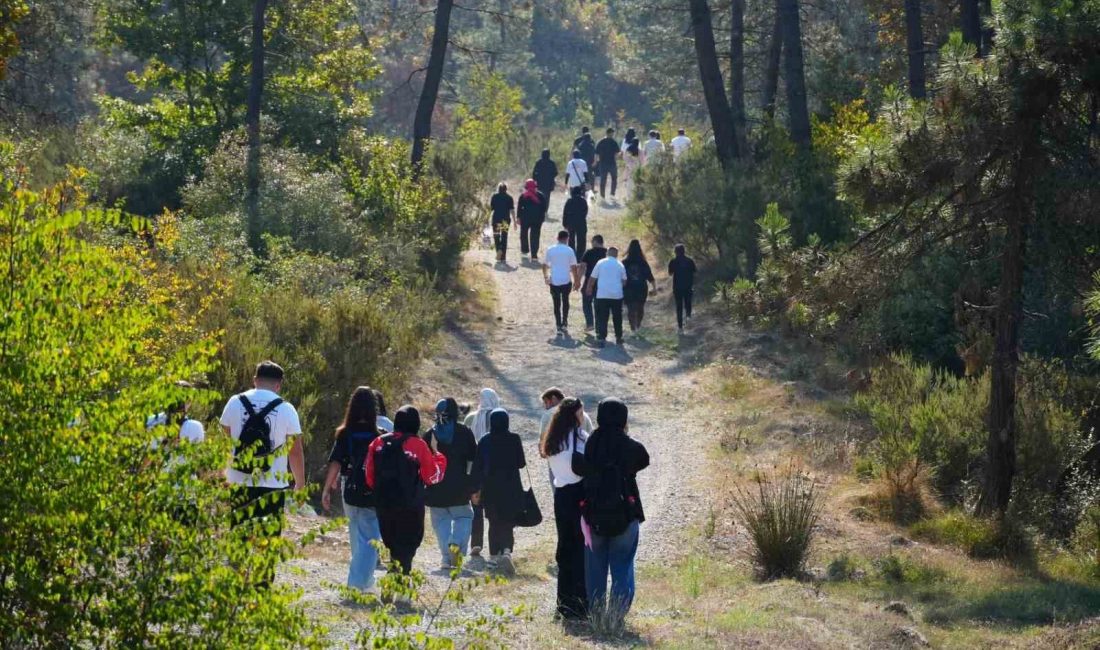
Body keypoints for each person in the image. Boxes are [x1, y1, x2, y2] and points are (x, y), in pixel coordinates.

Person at [582, 397, 650, 626]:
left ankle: (597, 614)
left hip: (594, 515)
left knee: (595, 568)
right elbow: (644, 458)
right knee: (622, 565)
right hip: (625, 513)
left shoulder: (592, 442)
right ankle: (616, 617)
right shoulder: (628, 445)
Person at [221, 361, 305, 540]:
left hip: (239, 479)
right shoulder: (286, 408)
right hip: (272, 483)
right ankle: (265, 569)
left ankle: (237, 567)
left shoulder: (235, 402)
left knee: (238, 537)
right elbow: (295, 451)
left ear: (254, 380)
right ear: (278, 385)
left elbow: (227, 438)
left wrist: (224, 471)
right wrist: (300, 483)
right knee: (267, 540)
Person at [364, 405, 447, 575]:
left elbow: (369, 475)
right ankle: (398, 585)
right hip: (410, 505)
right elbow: (432, 477)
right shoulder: (418, 445)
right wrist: (438, 455)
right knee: (408, 546)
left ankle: (394, 579)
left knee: (393, 545)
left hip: (384, 504)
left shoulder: (378, 442)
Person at [321, 387, 382, 592]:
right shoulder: (378, 436)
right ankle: (357, 584)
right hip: (371, 489)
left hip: (349, 487)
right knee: (371, 538)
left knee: (356, 535)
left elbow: (336, 462)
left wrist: (327, 489)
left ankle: (366, 582)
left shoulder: (344, 434)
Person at [540, 397, 590, 621]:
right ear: (575, 415)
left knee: (565, 548)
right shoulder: (580, 438)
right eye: (581, 413)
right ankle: (579, 603)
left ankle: (563, 602)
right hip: (578, 495)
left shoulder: (552, 441)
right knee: (580, 550)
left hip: (560, 495)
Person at [424, 398, 479, 570]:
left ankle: (446, 560)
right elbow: (473, 459)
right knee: (464, 517)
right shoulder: (464, 432)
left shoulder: (430, 434)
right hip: (459, 487)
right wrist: (473, 485)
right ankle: (455, 543)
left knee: (441, 523)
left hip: (435, 488)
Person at [472, 408, 526, 574]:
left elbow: (478, 467)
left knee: (494, 522)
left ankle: (494, 558)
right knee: (508, 521)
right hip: (511, 487)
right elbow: (521, 463)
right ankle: (507, 552)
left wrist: (475, 489)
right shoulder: (514, 439)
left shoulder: (485, 440)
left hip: (491, 489)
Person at [463, 388, 501, 557]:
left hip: (474, 468)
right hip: (495, 470)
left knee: (476, 507)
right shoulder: (500, 416)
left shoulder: (471, 417)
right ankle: (498, 544)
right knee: (495, 507)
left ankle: (476, 543)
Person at [542, 230, 585, 335]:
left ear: (557, 238)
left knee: (556, 303)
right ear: (567, 238)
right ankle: (565, 322)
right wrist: (576, 280)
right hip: (566, 280)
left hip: (554, 280)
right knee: (565, 301)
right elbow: (574, 266)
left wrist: (546, 277)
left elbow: (544, 265)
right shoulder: (569, 250)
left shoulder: (550, 249)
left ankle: (558, 324)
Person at [586, 246, 628, 347]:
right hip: (616, 295)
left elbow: (593, 277)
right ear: (616, 254)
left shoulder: (601, 262)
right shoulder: (620, 264)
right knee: (617, 316)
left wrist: (589, 288)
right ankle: (618, 337)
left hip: (602, 294)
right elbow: (624, 281)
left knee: (602, 316)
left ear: (607, 253)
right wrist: (618, 286)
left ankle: (601, 337)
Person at [622, 239, 658, 334]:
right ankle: (638, 325)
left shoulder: (624, 262)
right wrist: (654, 288)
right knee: (640, 308)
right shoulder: (643, 262)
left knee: (630, 309)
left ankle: (633, 328)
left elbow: (620, 277)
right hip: (641, 288)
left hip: (628, 289)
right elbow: (650, 277)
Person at [580, 235, 607, 333]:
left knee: (586, 303)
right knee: (599, 305)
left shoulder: (589, 252)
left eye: (592, 241)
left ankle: (590, 323)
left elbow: (582, 267)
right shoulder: (607, 253)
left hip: (589, 281)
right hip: (603, 282)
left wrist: (578, 280)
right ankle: (599, 327)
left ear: (595, 241)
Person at [668, 243, 698, 333]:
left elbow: (670, 273)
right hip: (688, 286)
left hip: (677, 287)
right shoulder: (689, 261)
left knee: (679, 306)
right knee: (688, 302)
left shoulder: (673, 261)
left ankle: (680, 327)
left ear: (675, 252)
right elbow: (695, 272)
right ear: (684, 251)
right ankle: (688, 316)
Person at [517, 179, 548, 260]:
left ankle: (524, 250)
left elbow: (519, 208)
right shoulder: (540, 195)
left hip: (525, 219)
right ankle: (534, 254)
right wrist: (542, 217)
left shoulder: (523, 196)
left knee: (523, 234)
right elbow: (544, 208)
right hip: (537, 219)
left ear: (526, 186)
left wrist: (518, 217)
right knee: (535, 236)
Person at [489, 182, 516, 263]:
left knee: (497, 237)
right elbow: (512, 210)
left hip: (496, 220)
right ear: (506, 189)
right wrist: (514, 221)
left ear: (498, 189)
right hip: (505, 221)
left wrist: (486, 219)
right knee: (504, 237)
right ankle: (503, 257)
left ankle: (499, 250)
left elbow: (491, 208)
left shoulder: (494, 196)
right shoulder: (509, 198)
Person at [562, 185, 589, 259]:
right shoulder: (583, 201)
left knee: (571, 240)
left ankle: (572, 254)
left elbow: (565, 213)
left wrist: (564, 223)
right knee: (581, 240)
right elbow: (585, 212)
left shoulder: (569, 201)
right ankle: (580, 256)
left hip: (571, 223)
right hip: (581, 223)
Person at [595, 128, 620, 200]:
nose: (612, 135)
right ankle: (611, 194)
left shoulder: (601, 142)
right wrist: (616, 159)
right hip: (611, 163)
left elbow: (596, 153)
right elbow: (617, 153)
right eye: (612, 133)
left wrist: (597, 161)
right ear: (608, 133)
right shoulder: (613, 142)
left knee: (604, 179)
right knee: (613, 179)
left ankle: (603, 196)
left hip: (603, 164)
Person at [620, 128, 641, 195]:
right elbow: (640, 149)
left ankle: (626, 181)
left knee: (627, 170)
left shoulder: (625, 140)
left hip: (627, 158)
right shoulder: (637, 140)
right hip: (636, 159)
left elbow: (622, 150)